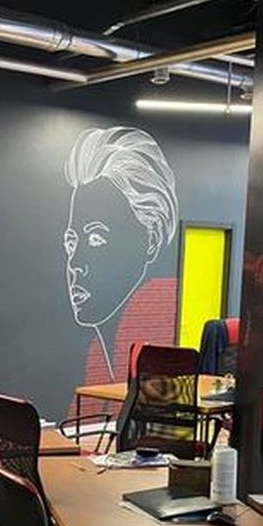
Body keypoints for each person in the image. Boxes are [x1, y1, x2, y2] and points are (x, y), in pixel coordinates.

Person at [63, 126, 179, 382]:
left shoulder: (163, 314)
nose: (75, 264)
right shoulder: (99, 358)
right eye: (71, 244)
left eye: (96, 238)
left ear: (152, 239)